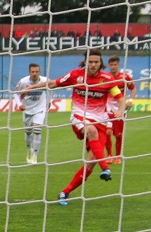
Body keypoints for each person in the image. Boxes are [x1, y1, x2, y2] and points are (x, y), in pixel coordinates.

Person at [27, 49, 125, 206]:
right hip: (80, 117)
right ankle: (106, 168)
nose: (93, 65)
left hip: (101, 120)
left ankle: (64, 192)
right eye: (90, 62)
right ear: (85, 62)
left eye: (96, 62)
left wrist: (120, 109)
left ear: (100, 63)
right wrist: (29, 88)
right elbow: (52, 83)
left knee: (90, 162)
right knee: (91, 131)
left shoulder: (107, 79)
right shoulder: (75, 75)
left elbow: (119, 97)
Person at [15, 62, 48, 164]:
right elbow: (15, 93)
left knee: (37, 129)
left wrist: (49, 101)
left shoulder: (45, 80)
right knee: (28, 132)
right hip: (28, 109)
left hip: (40, 108)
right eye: (32, 72)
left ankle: (35, 156)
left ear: (40, 72)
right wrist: (19, 104)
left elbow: (50, 89)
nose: (35, 74)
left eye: (37, 72)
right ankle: (29, 150)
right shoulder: (23, 82)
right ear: (29, 72)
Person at [105, 56, 135, 164]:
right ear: (109, 66)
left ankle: (118, 156)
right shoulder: (105, 77)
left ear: (118, 65)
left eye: (115, 65)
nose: (113, 67)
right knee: (107, 132)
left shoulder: (125, 77)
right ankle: (109, 156)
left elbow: (133, 88)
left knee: (118, 135)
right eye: (111, 65)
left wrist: (130, 100)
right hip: (107, 110)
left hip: (120, 109)